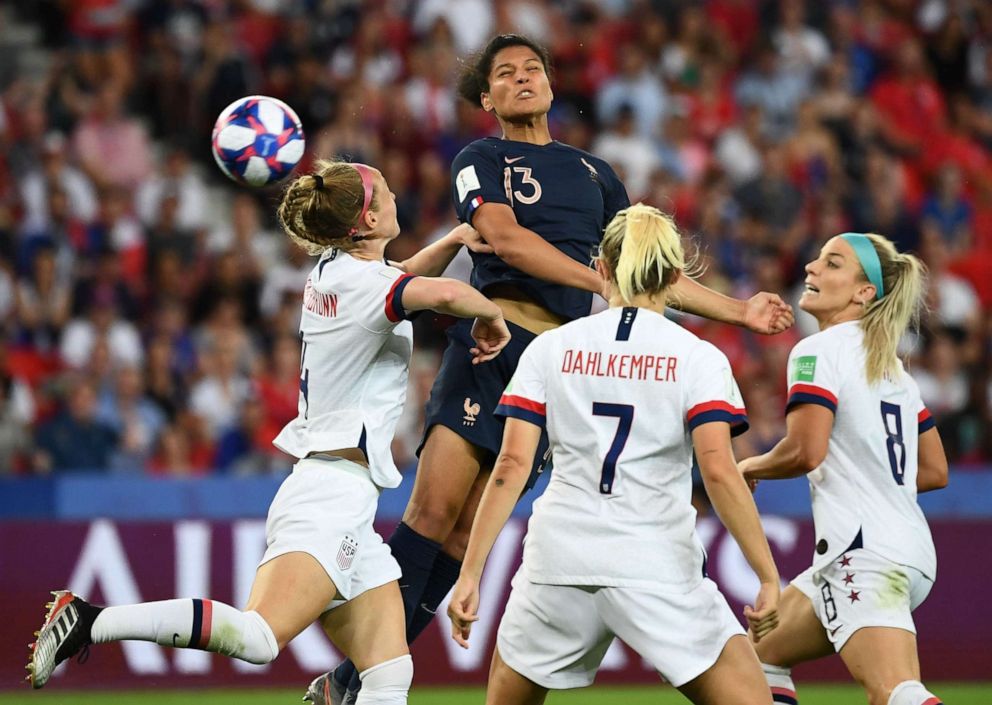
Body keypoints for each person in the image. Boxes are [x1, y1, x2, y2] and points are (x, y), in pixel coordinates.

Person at [311, 33, 794, 705]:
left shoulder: (596, 174)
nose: (522, 78)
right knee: (431, 513)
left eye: (532, 68)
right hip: (491, 350)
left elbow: (649, 272)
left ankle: (352, 679)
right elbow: (506, 239)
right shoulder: (480, 158)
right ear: (488, 98)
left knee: (463, 531)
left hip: (559, 370)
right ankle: (358, 675)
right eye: (505, 74)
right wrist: (604, 284)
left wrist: (740, 311)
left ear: (551, 85)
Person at [26, 160, 512, 705]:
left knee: (389, 672)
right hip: (328, 497)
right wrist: (492, 315)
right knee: (259, 637)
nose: (399, 195)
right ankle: (91, 620)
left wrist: (455, 239)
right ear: (368, 219)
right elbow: (441, 296)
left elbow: (405, 281)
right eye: (389, 191)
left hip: (341, 495)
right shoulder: (368, 283)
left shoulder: (339, 272)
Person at [448, 203, 781, 705]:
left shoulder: (550, 349)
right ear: (673, 276)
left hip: (558, 562)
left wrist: (470, 572)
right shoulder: (699, 358)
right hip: (655, 563)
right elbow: (717, 471)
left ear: (601, 269)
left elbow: (511, 468)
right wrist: (769, 575)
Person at [737, 232, 949, 705]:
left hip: (863, 553)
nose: (811, 268)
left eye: (831, 264)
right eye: (815, 260)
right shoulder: (891, 369)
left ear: (863, 291)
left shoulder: (818, 350)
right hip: (905, 548)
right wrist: (869, 472)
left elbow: (804, 451)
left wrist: (749, 465)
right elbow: (934, 469)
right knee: (757, 655)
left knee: (895, 693)